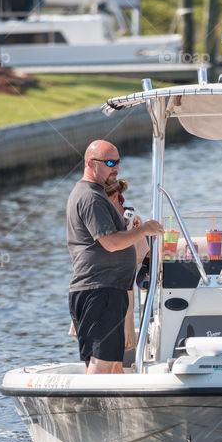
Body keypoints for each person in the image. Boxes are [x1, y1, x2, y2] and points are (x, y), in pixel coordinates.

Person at [66, 140, 163, 374]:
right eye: (110, 163)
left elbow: (111, 237)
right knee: (102, 368)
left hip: (106, 291)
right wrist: (145, 229)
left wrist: (130, 228)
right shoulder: (90, 197)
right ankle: (88, 412)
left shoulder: (94, 194)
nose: (116, 168)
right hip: (100, 292)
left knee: (113, 368)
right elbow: (109, 243)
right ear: (90, 163)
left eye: (118, 162)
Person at [103, 177, 149, 352]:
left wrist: (138, 231)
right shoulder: (129, 222)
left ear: (114, 197)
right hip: (105, 294)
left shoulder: (130, 223)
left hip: (116, 296)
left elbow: (143, 258)